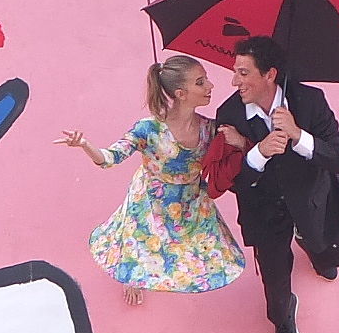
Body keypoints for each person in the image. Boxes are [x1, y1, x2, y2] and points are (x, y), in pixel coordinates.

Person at [55, 55, 246, 306]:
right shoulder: (149, 128)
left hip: (191, 199)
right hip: (150, 197)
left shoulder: (210, 129)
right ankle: (133, 277)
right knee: (141, 244)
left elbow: (232, 158)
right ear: (180, 94)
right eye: (200, 82)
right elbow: (110, 158)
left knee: (202, 254)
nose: (210, 86)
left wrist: (239, 142)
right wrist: (85, 145)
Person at [216, 36, 339, 333]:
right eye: (235, 72)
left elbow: (338, 158)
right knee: (275, 290)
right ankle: (283, 318)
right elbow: (231, 182)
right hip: (265, 212)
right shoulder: (229, 114)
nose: (235, 81)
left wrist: (298, 135)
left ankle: (307, 240)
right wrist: (258, 153)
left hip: (311, 201)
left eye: (243, 73)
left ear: (270, 74)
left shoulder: (310, 101)